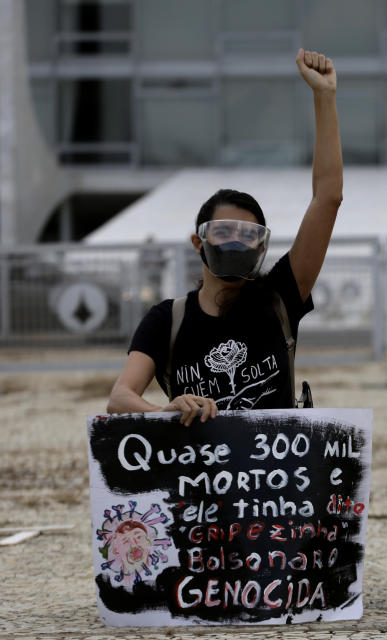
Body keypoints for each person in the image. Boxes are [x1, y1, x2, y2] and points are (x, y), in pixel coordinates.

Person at [107, 48, 342, 425]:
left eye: (247, 234)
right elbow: (120, 398)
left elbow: (327, 198)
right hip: (201, 477)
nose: (235, 241)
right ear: (198, 242)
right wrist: (164, 411)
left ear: (261, 246)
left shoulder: (281, 297)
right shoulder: (168, 319)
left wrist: (324, 96)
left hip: (275, 474)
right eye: (222, 231)